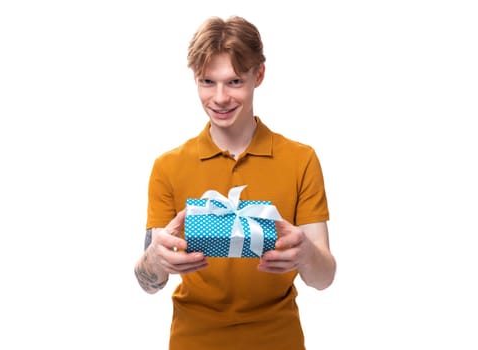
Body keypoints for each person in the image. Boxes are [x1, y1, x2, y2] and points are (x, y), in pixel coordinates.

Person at [134, 15, 336, 350]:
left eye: (234, 82)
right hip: (193, 340)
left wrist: (305, 255)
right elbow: (150, 283)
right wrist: (155, 259)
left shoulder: (301, 160)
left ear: (259, 74)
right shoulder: (168, 166)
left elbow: (324, 277)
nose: (220, 98)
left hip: (278, 339)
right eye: (207, 82)